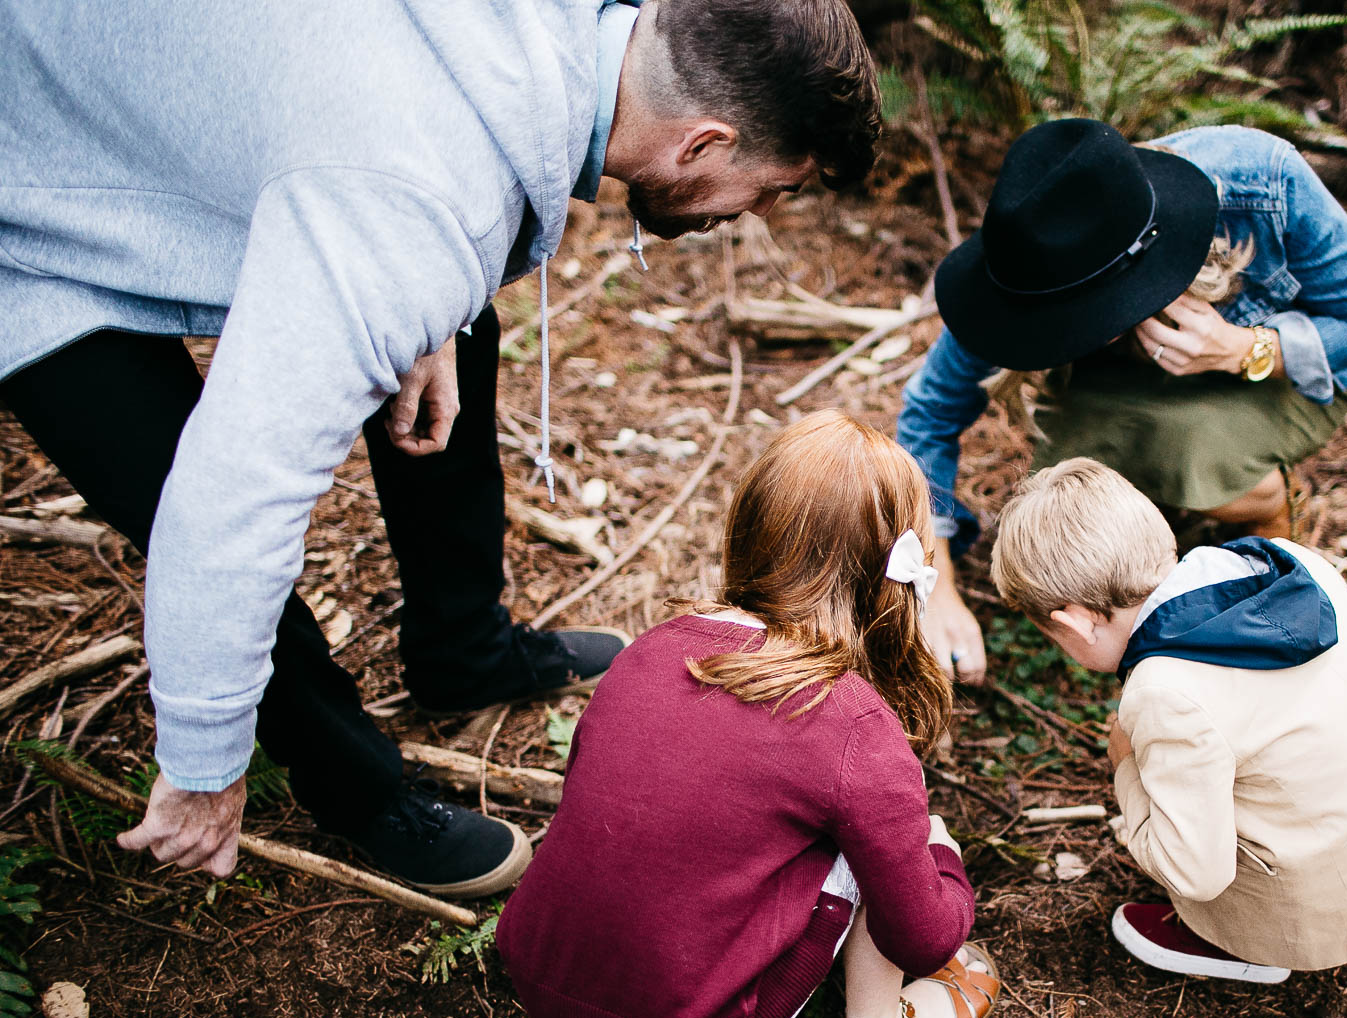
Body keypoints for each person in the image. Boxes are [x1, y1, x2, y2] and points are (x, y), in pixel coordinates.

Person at [0, 0, 883, 895]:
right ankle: (355, 788)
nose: (759, 213)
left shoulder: (548, 46)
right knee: (179, 488)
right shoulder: (414, 207)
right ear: (700, 143)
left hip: (169, 120)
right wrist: (201, 763)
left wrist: (432, 314)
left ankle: (462, 650)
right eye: (777, 188)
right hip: (31, 209)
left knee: (461, 323)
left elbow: (381, 113)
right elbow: (230, 507)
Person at [498, 412, 999, 1018]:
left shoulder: (652, 646)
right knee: (880, 846)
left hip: (537, 982)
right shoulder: (855, 725)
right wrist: (939, 856)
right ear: (894, 572)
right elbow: (924, 940)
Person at [896, 117, 1347, 687]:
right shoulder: (1030, 253)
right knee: (1067, 498)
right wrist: (932, 586)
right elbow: (930, 413)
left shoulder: (1261, 183)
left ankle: (1267, 512)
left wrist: (1243, 348)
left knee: (1191, 450)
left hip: (1272, 370)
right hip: (1135, 382)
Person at [988, 458, 1347, 981]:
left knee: (1180, 828)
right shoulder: (1278, 560)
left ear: (1075, 622)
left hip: (1336, 894)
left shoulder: (1165, 692)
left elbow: (1194, 872)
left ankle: (1245, 946)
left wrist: (1126, 767)